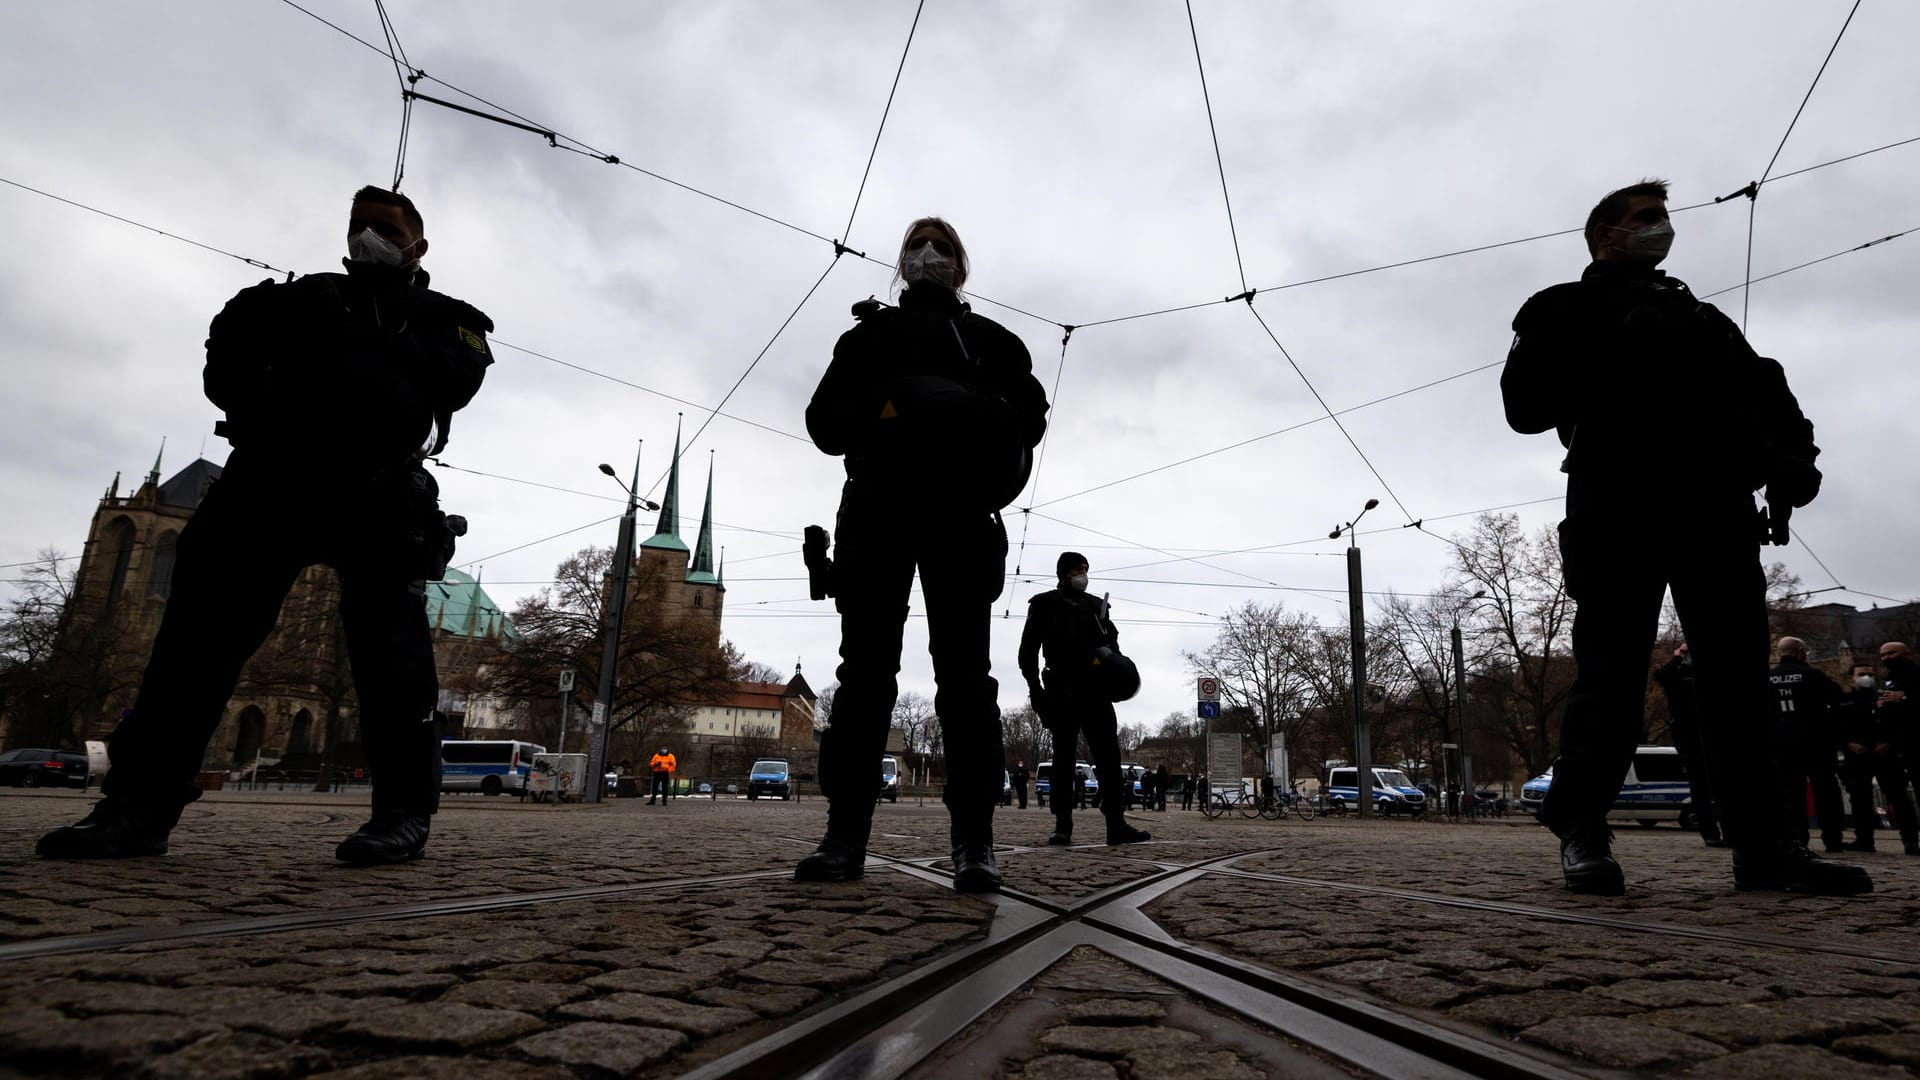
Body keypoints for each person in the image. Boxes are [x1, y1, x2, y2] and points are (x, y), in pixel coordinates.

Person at [38, 186, 491, 866]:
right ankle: (140, 806)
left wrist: (343, 355)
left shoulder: (443, 319)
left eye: (386, 228)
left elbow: (446, 386)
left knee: (393, 660)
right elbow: (224, 368)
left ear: (416, 246)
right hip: (269, 481)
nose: (369, 235)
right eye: (360, 225)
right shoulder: (289, 299)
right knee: (193, 648)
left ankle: (401, 812)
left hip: (376, 488)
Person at [1501, 178, 1867, 896]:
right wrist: (1606, 347)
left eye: (1664, 218)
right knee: (1610, 676)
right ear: (1604, 234)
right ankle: (1582, 827)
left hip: (1714, 509)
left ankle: (1764, 847)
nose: (1660, 229)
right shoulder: (1563, 308)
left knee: (1737, 683)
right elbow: (1523, 407)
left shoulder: (1703, 320)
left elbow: (1769, 394)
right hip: (1618, 506)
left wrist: (1793, 463)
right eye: (1644, 218)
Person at [796, 217, 1048, 892]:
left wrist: (970, 408)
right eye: (916, 246)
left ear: (961, 268)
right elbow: (824, 423)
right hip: (877, 509)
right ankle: (843, 835)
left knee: (967, 683)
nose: (928, 255)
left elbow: (1030, 420)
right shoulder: (869, 336)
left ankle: (975, 841)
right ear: (900, 263)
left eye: (941, 249)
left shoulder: (994, 341)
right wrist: (891, 407)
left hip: (962, 514)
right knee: (864, 676)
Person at [1022, 552, 1152, 848]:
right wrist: (1036, 692)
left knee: (1109, 758)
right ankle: (1062, 826)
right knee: (1063, 759)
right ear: (1064, 573)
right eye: (1078, 569)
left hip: (1096, 691)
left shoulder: (1096, 607)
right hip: (1061, 690)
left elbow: (1114, 647)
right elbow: (1027, 653)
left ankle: (1115, 824)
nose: (1084, 574)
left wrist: (1112, 665)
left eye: (1086, 569)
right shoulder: (1043, 605)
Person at [1770, 637, 1848, 852]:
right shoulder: (1812, 675)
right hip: (1816, 742)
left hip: (1782, 744)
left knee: (1791, 794)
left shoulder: (1769, 677)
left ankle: (1798, 840)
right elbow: (1839, 700)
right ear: (1801, 652)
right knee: (1826, 792)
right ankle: (1832, 839)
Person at [1835, 660, 1920, 854]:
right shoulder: (1844, 702)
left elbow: (1900, 724)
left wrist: (1889, 743)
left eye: (1870, 674)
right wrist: (1848, 744)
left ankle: (1911, 841)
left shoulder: (1884, 697)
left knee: (1898, 799)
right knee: (1860, 800)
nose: (1867, 678)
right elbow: (1836, 727)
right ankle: (1864, 840)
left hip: (1885, 755)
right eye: (1862, 674)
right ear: (1851, 678)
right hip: (1857, 757)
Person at [1650, 643, 1726, 847]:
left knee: (1717, 785)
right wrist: (1678, 658)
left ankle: (1725, 832)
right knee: (1702, 785)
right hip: (1689, 735)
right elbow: (1660, 675)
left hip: (1709, 734)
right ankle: (1711, 833)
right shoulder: (1677, 674)